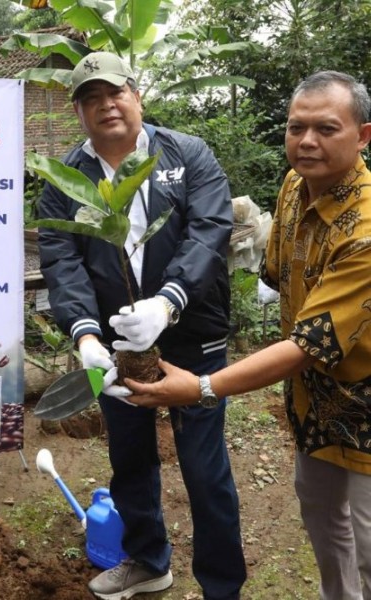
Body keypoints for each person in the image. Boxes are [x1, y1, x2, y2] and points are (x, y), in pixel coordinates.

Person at [126, 70, 371, 600]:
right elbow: (277, 272)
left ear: (363, 135)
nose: (307, 141)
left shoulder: (367, 227)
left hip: (366, 410)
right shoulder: (292, 186)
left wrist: (204, 387)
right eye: (295, 127)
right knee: (326, 530)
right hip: (316, 409)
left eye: (326, 128)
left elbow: (309, 343)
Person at [38, 51, 246, 599]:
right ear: (78, 112)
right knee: (129, 458)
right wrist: (85, 333)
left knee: (204, 469)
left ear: (137, 96)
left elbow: (209, 230)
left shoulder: (187, 153)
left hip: (191, 333)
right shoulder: (66, 177)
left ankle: (222, 588)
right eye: (90, 98)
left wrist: (167, 302)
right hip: (115, 345)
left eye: (115, 92)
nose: (105, 105)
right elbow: (61, 258)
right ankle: (150, 561)